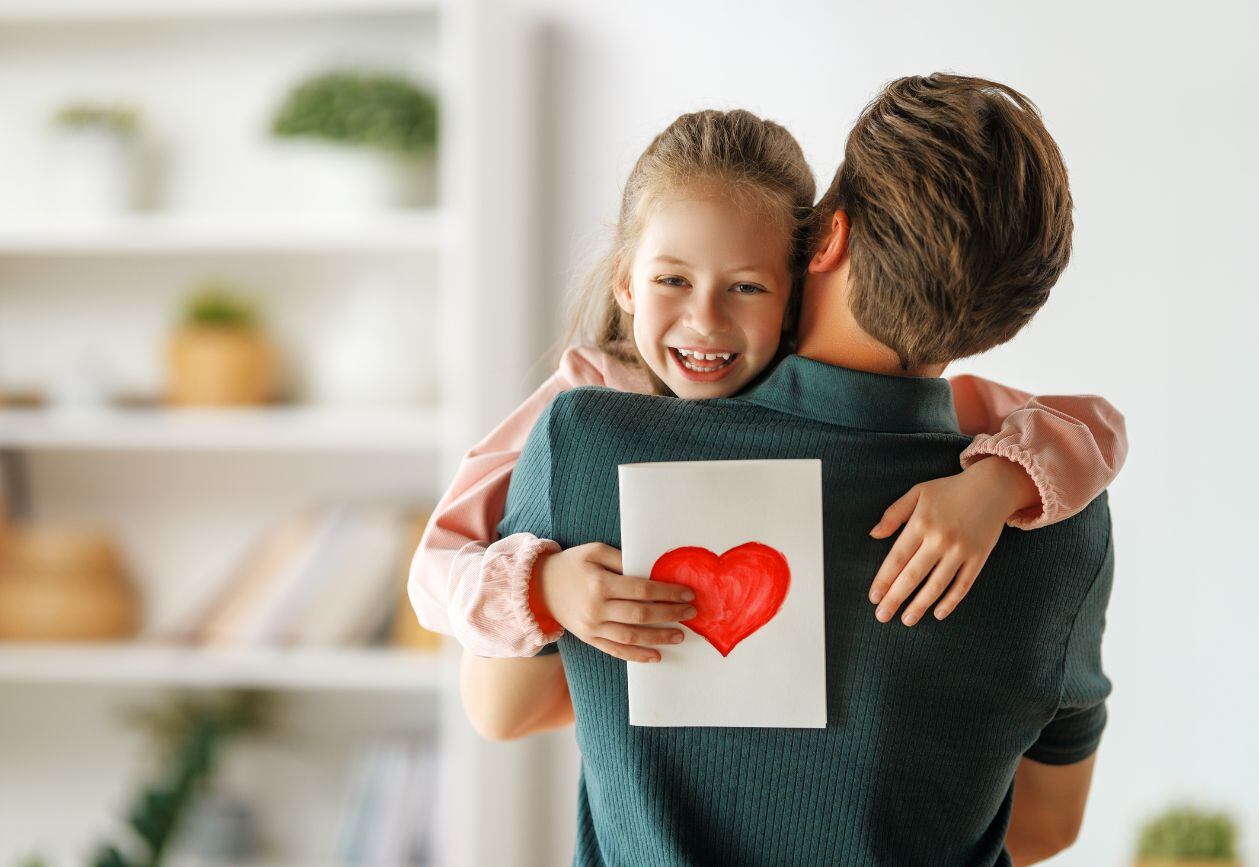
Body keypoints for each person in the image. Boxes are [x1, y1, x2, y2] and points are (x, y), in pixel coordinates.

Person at [462, 74, 1118, 866]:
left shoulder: (588, 442)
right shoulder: (1052, 516)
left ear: (828, 237)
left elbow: (503, 708)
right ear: (1005, 316)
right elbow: (1048, 826)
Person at [408, 109, 1125, 669]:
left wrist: (996, 485)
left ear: (799, 281)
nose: (705, 320)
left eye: (746, 286)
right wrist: (546, 586)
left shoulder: (824, 387)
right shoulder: (590, 395)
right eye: (672, 280)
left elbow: (1095, 425)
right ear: (627, 278)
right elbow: (434, 569)